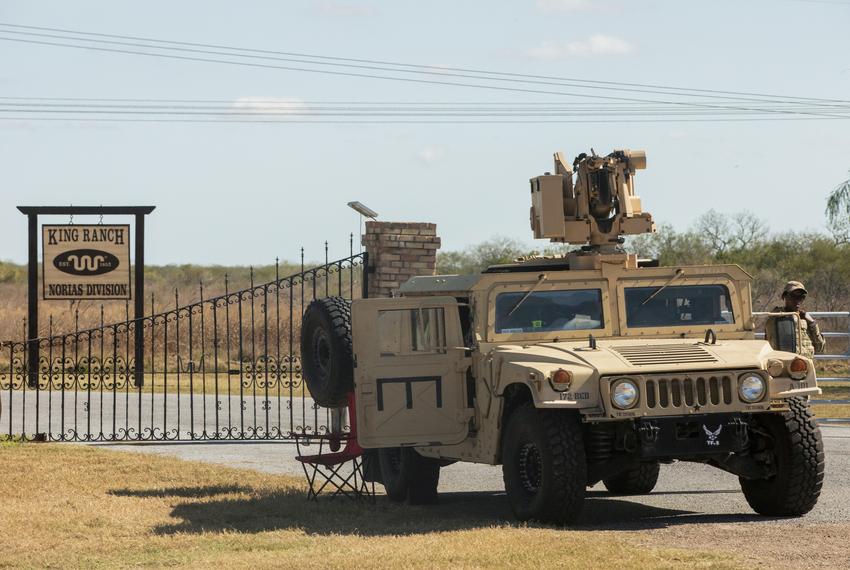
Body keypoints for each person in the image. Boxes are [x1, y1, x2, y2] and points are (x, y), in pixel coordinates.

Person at [764, 281, 825, 359]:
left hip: (804, 364)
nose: (797, 300)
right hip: (784, 363)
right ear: (784, 296)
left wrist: (812, 323)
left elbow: (820, 348)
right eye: (793, 296)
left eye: (801, 297)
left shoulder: (805, 319)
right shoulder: (776, 317)